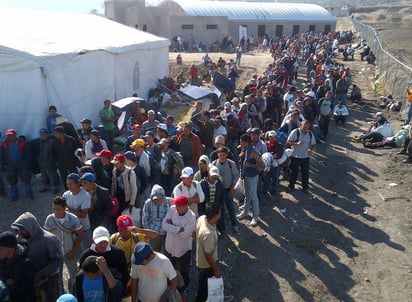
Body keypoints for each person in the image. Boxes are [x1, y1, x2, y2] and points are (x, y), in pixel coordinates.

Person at [11, 212, 63, 302]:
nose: (19, 233)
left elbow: (57, 260)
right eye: (18, 230)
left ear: (30, 227)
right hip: (29, 278)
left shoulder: (49, 240)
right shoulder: (20, 238)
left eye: (22, 230)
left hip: (49, 279)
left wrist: (42, 273)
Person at [44, 196, 84, 293]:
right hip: (55, 254)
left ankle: (74, 292)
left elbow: (80, 235)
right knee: (57, 277)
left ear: (65, 208)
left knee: (74, 274)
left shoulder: (73, 219)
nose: (55, 212)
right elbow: (46, 237)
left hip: (69, 252)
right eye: (53, 209)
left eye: (58, 209)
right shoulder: (49, 219)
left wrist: (74, 251)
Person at [195, 202, 233, 302]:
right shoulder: (209, 233)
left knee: (209, 285)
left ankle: (218, 297)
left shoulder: (202, 218)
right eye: (220, 212)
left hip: (200, 260)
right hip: (206, 265)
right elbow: (208, 254)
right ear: (216, 216)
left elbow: (194, 234)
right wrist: (215, 269)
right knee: (203, 290)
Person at [162, 195, 196, 296]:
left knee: (184, 270)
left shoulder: (192, 216)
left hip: (183, 250)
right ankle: (171, 285)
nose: (176, 208)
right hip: (170, 247)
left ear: (186, 206)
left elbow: (185, 235)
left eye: (179, 206)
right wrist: (178, 229)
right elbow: (164, 225)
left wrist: (171, 225)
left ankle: (184, 288)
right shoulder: (172, 209)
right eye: (176, 205)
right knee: (170, 268)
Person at [79, 226, 129, 295]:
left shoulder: (118, 253)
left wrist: (120, 292)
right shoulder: (85, 256)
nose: (103, 245)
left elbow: (124, 274)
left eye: (105, 242)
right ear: (93, 241)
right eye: (99, 242)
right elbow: (81, 276)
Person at [237, 134, 264, 226]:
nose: (240, 143)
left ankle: (256, 216)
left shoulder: (253, 152)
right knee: (247, 195)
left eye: (241, 142)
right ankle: (245, 212)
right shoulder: (245, 149)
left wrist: (250, 166)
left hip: (252, 177)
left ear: (246, 143)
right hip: (246, 175)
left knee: (253, 196)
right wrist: (242, 173)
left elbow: (262, 164)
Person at [211, 146, 240, 234]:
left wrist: (232, 187)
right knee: (220, 209)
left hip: (228, 190)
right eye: (220, 155)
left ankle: (235, 225)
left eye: (224, 155)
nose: (222, 157)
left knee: (231, 208)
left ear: (227, 155)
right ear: (217, 155)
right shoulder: (213, 164)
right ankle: (221, 228)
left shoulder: (231, 164)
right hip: (218, 191)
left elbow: (236, 175)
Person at [0, 231, 35, 302]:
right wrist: (5, 281)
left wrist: (13, 283)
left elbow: (23, 287)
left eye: (1, 249)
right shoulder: (2, 260)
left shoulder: (25, 263)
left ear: (10, 249)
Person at [0, 128, 33, 200]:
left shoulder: (22, 142)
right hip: (10, 164)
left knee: (26, 180)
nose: (10, 137)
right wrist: (3, 165)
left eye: (11, 135)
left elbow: (28, 154)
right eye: (8, 135)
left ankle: (29, 195)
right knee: (12, 181)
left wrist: (27, 163)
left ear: (15, 135)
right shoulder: (4, 144)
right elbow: (2, 155)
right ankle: (14, 196)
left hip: (22, 163)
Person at [63, 173, 92, 252]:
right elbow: (62, 208)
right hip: (71, 229)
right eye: (67, 184)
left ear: (78, 183)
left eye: (71, 184)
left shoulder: (85, 195)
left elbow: (83, 215)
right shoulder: (66, 195)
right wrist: (76, 211)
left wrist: (68, 210)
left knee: (87, 251)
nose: (69, 186)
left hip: (83, 228)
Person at [286, 120, 316, 194]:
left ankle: (305, 187)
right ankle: (291, 186)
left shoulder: (310, 134)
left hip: (305, 157)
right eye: (304, 127)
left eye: (307, 127)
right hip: (295, 156)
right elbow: (288, 142)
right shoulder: (295, 132)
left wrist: (311, 150)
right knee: (293, 172)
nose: (306, 129)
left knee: (305, 173)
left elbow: (313, 144)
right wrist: (296, 143)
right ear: (301, 125)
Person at [142, 184, 171, 252]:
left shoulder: (170, 202)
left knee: (167, 254)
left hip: (167, 233)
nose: (158, 200)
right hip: (154, 234)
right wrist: (148, 233)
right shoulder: (148, 203)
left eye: (160, 198)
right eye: (156, 199)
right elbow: (145, 219)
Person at [200, 166, 226, 233]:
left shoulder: (219, 184)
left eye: (216, 177)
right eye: (213, 177)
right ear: (209, 174)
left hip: (215, 206)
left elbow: (222, 196)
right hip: (205, 207)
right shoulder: (202, 183)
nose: (214, 179)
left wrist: (220, 206)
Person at [38, 128, 60, 194]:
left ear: (47, 134)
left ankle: (55, 188)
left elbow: (54, 154)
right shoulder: (41, 142)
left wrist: (51, 161)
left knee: (53, 175)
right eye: (40, 134)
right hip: (42, 162)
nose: (41, 136)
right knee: (43, 176)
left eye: (43, 134)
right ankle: (46, 187)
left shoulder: (51, 142)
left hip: (50, 163)